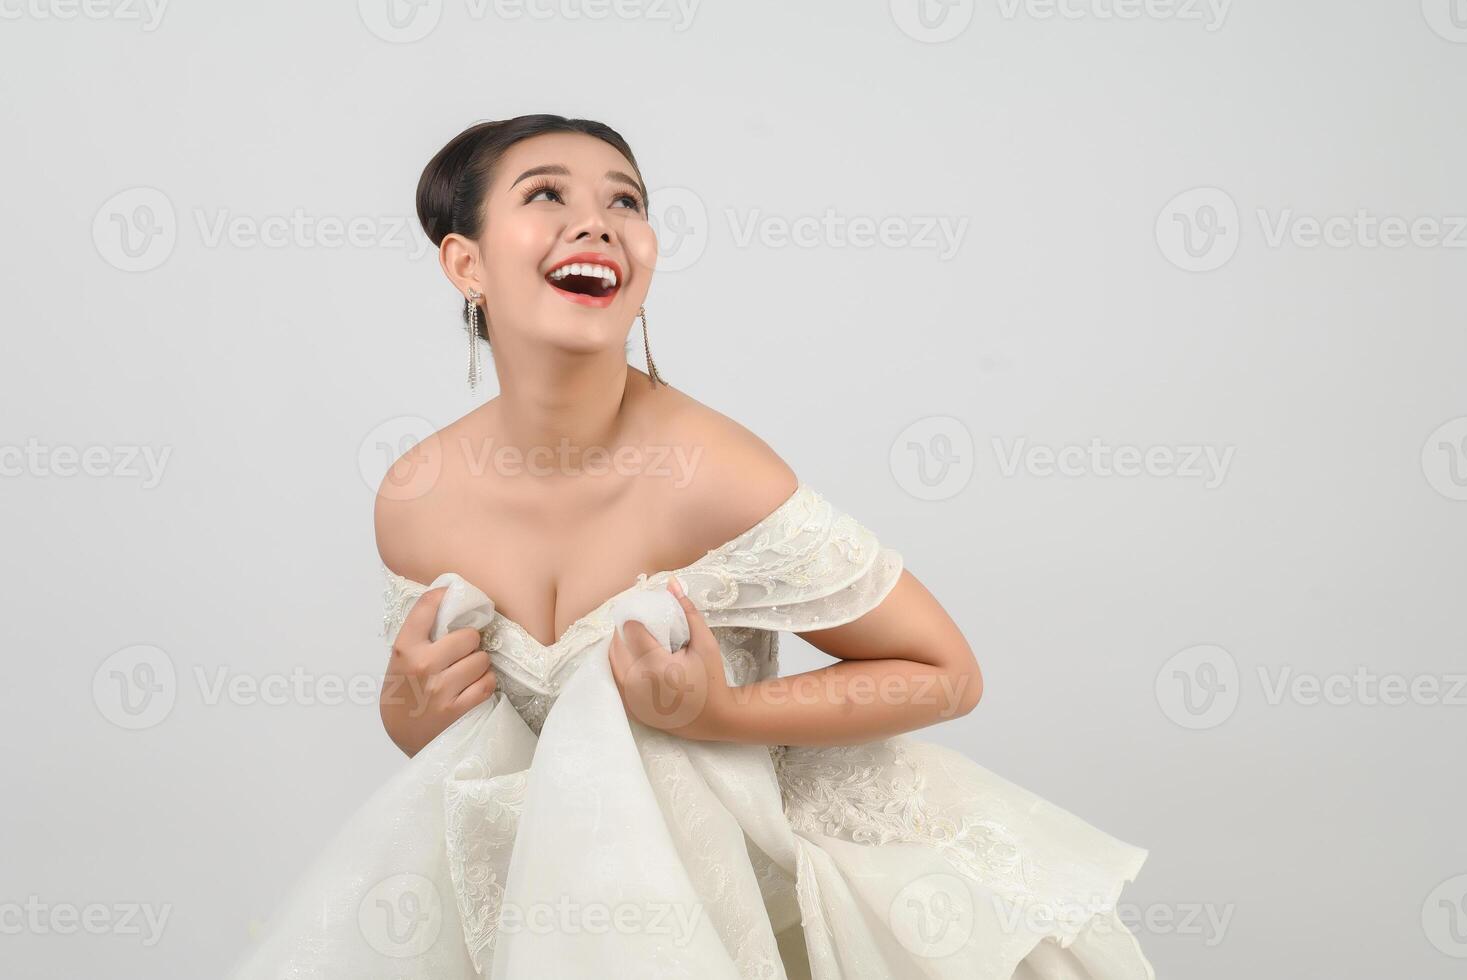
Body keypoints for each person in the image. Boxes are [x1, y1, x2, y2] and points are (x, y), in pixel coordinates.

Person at [228, 114, 1155, 980]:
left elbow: (945, 672)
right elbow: (463, 744)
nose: (597, 223)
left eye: (623, 201)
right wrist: (405, 712)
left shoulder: (713, 470)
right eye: (547, 194)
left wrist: (717, 715)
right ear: (464, 263)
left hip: (748, 900)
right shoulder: (416, 498)